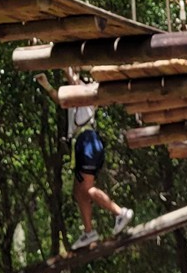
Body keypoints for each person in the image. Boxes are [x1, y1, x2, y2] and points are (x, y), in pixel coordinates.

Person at [35, 71, 134, 249]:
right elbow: (60, 100)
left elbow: (71, 74)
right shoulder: (74, 97)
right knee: (78, 191)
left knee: (86, 189)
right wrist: (47, 85)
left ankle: (120, 212)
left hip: (87, 141)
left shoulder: (85, 91)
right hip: (84, 144)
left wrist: (65, 62)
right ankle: (89, 232)